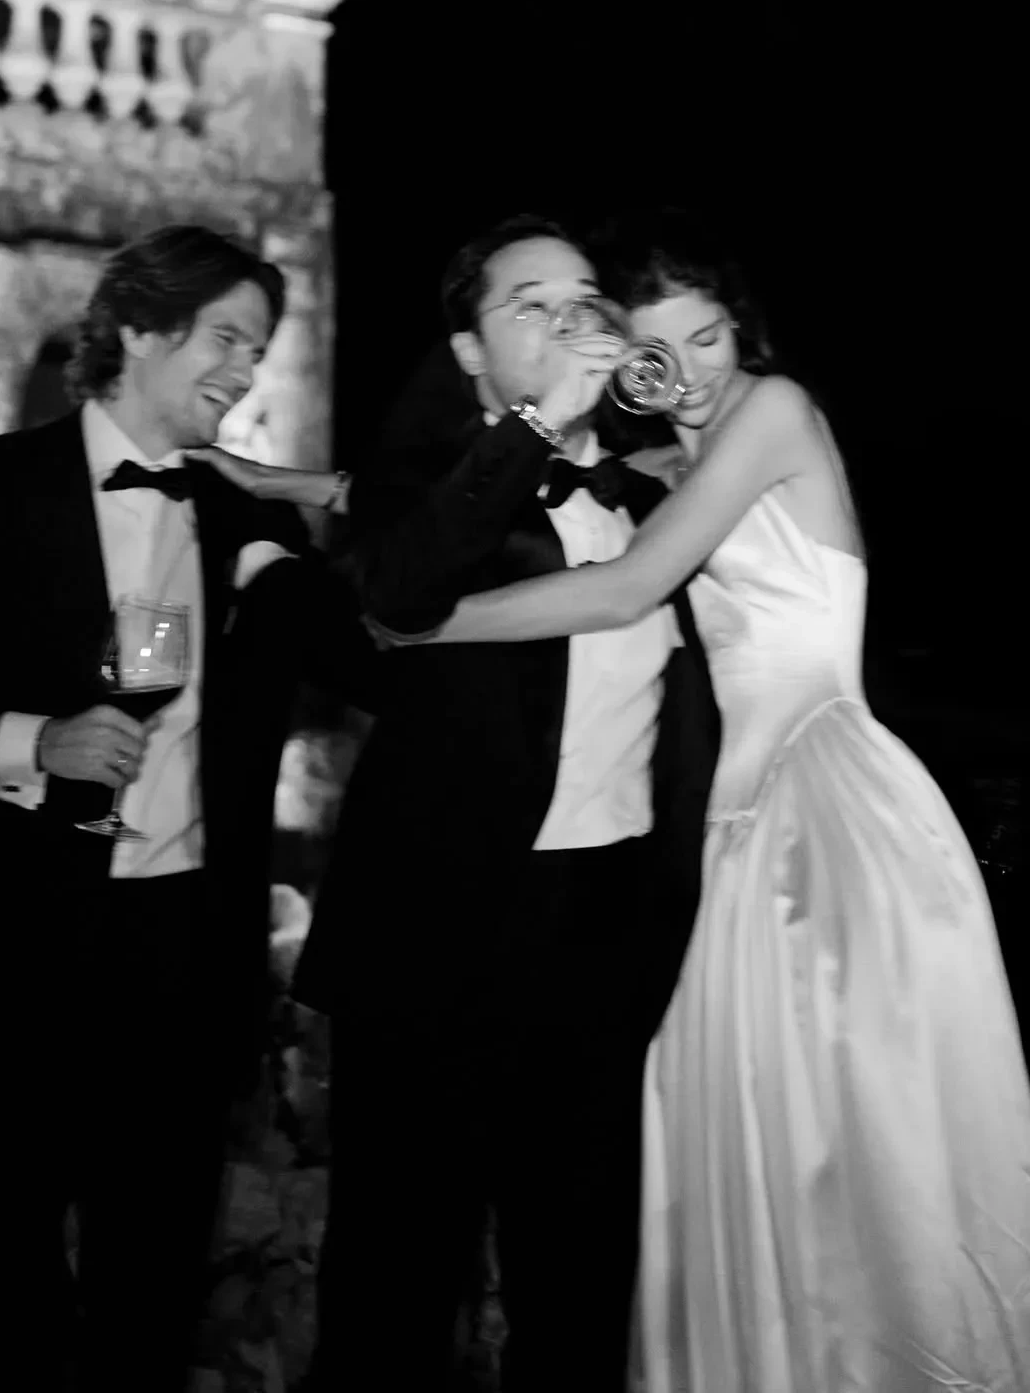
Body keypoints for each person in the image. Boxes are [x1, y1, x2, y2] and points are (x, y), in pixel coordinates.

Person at [375, 207, 1030, 1391]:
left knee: (845, 1118)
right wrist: (287, 482)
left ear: (743, 330)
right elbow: (524, 493)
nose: (696, 368)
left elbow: (627, 588)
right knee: (750, 1118)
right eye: (660, 349)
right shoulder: (678, 465)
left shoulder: (773, 413)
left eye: (710, 335)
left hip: (821, 796)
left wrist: (422, 626)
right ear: (627, 362)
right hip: (729, 822)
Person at [193, 213, 721, 1391]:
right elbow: (396, 585)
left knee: (577, 1293)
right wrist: (534, 425)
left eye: (583, 299)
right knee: (395, 1289)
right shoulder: (421, 488)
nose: (570, 321)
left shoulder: (655, 496)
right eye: (531, 306)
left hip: (603, 944)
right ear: (471, 353)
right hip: (436, 946)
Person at [0, 225, 376, 1393]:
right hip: (15, 950)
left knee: (152, 1296)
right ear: (138, 328)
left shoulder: (250, 518)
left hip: (186, 956)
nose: (247, 371)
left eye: (261, 349)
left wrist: (308, 491)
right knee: (0, 1283)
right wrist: (32, 740)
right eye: (227, 338)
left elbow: (373, 656)